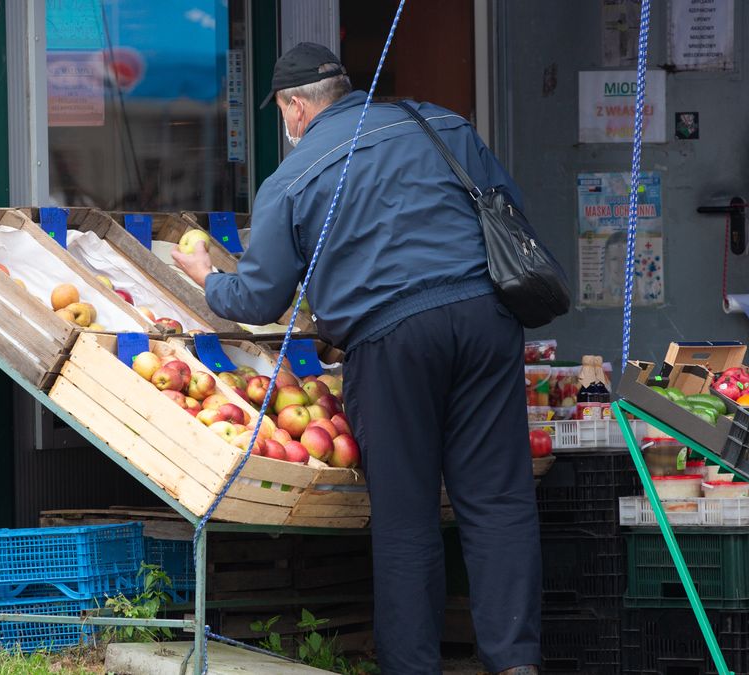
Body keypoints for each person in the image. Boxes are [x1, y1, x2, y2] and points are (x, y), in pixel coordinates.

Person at [172, 42, 544, 675]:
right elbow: (512, 215)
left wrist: (207, 276)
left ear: (294, 107)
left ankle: (413, 667)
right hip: (485, 320)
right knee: (498, 500)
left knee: (406, 515)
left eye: (284, 112)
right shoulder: (441, 123)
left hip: (393, 340)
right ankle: (516, 664)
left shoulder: (291, 177)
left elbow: (259, 298)